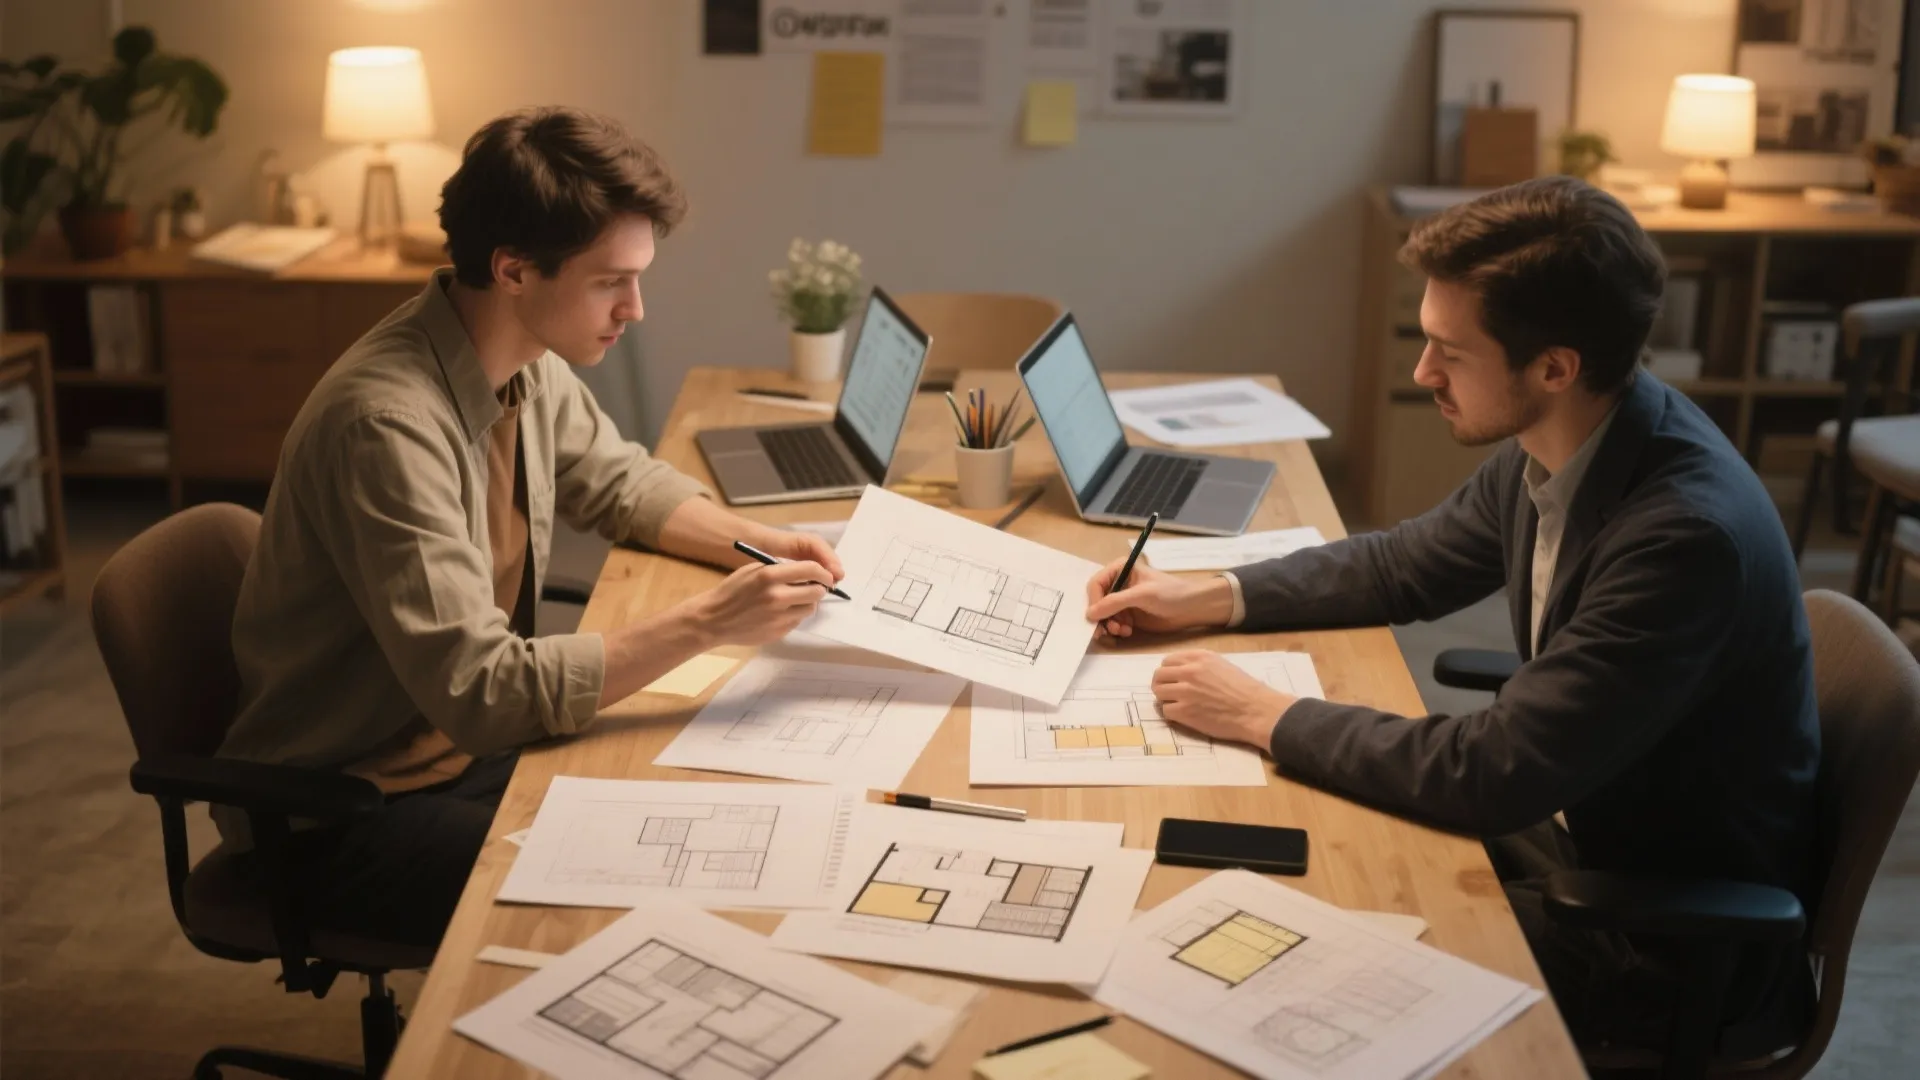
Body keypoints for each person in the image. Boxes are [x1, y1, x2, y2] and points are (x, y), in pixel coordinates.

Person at [1084, 176, 1819, 1058]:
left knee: (1276, 962)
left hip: (1656, 946)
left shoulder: (1681, 539)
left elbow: (1493, 773)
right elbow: (1403, 565)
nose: (1423, 372)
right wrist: (1207, 595)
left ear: (1554, 367)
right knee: (1289, 865)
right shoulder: (1576, 437)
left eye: (1450, 352)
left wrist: (1261, 713)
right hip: (1576, 835)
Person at [217, 106, 843, 948]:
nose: (635, 308)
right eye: (610, 281)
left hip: (455, 756)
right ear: (513, 270)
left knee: (700, 798)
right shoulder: (387, 426)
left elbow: (619, 482)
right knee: (640, 895)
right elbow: (485, 693)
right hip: (345, 810)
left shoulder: (518, 360)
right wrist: (710, 621)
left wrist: (757, 546)